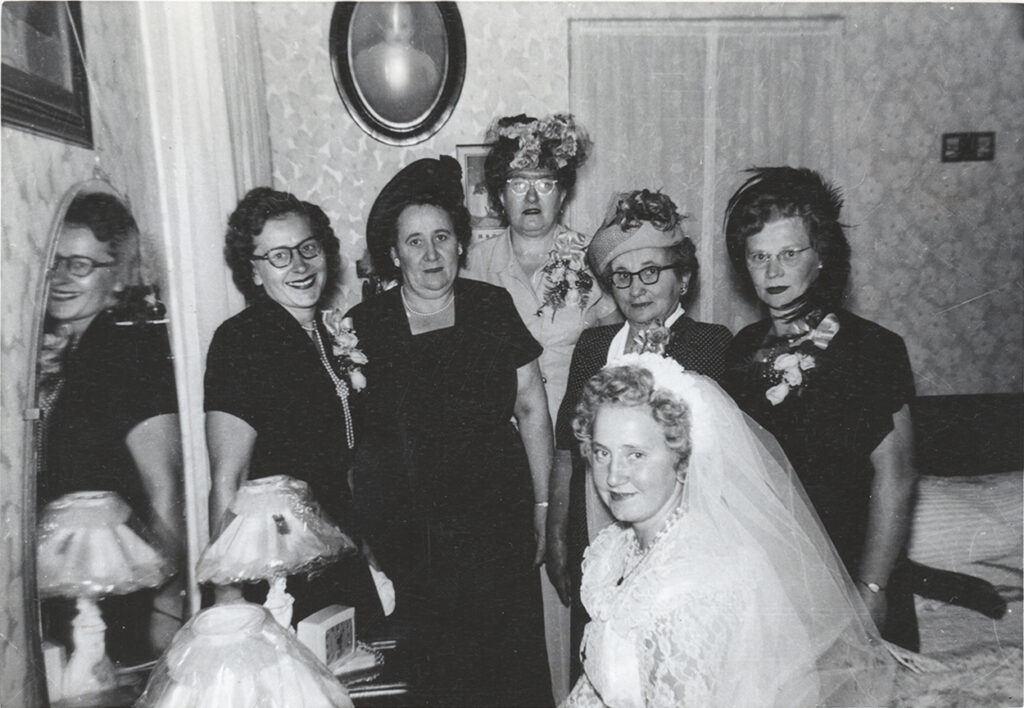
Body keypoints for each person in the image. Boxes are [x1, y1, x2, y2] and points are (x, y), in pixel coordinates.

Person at [564, 353, 895, 707]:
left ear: (682, 458)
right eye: (602, 453)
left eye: (636, 455)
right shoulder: (622, 547)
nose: (613, 476)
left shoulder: (694, 585)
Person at [347, 156, 552, 706]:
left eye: (441, 237)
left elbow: (531, 406)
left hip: (496, 527)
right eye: (414, 242)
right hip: (413, 538)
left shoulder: (491, 306)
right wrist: (366, 533)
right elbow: (355, 442)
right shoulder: (364, 326)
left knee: (506, 673)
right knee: (436, 677)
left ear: (461, 243)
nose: (431, 254)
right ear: (394, 254)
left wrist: (542, 507)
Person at [721, 167, 919, 649]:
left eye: (789, 254)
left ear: (822, 256)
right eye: (759, 256)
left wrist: (872, 588)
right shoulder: (741, 351)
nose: (773, 272)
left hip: (855, 573)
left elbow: (896, 475)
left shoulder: (872, 348)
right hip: (774, 581)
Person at [462, 112, 619, 699]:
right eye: (518, 182)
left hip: (575, 450)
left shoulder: (589, 261)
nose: (532, 197)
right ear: (498, 192)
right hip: (500, 452)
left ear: (563, 191)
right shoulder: (474, 265)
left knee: (572, 582)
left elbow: (614, 354)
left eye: (545, 183)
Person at [548, 189, 732, 680]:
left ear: (683, 278)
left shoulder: (712, 345)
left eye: (651, 272)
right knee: (598, 660)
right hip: (597, 534)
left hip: (678, 547)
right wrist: (558, 534)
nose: (636, 289)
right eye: (623, 276)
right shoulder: (593, 346)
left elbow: (718, 464)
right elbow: (566, 450)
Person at [204, 187, 382, 626]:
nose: (300, 266)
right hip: (277, 561)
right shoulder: (241, 341)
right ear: (254, 271)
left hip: (341, 549)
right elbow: (229, 476)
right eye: (279, 256)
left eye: (307, 249)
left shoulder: (331, 332)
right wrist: (228, 593)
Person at [37, 191, 182, 662]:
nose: (60, 278)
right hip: (84, 587)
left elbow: (166, 487)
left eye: (80, 265)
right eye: (54, 263)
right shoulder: (81, 350)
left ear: (119, 277)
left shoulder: (126, 351)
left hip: (126, 597)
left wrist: (167, 604)